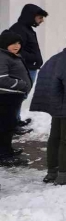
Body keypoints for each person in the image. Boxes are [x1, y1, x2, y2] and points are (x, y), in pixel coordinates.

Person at [30, 30, 66, 185]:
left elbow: (45, 79)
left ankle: (53, 172)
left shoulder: (57, 58)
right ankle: (65, 174)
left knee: (55, 139)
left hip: (57, 107)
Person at [8, 4, 48, 132]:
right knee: (17, 96)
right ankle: (12, 125)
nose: (42, 20)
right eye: (40, 17)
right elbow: (15, 50)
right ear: (31, 17)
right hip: (22, 69)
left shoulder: (27, 29)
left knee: (21, 96)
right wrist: (33, 58)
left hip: (28, 68)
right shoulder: (18, 29)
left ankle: (16, 120)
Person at [0, 31, 32, 167]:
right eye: (13, 43)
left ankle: (7, 150)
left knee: (9, 125)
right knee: (5, 127)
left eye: (18, 43)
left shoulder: (11, 55)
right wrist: (21, 85)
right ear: (5, 43)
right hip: (5, 97)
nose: (16, 46)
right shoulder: (2, 57)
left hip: (13, 97)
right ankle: (4, 156)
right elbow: (1, 79)